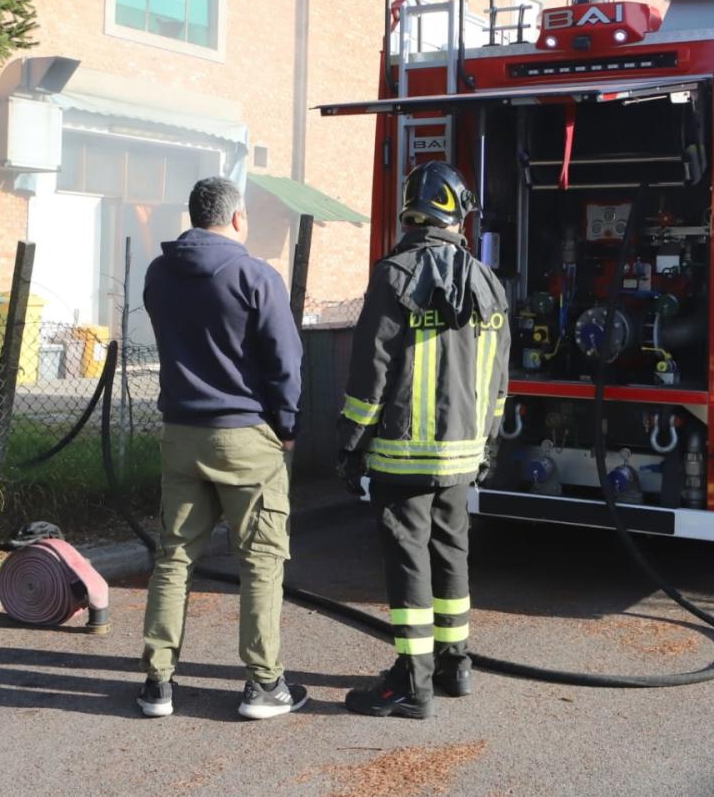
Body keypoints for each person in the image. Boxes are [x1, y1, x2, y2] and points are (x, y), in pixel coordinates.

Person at [334, 160, 510, 719]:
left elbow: (371, 371)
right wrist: (489, 444)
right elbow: (498, 380)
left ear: (413, 209)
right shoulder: (488, 283)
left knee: (409, 561)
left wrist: (349, 440)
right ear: (458, 214)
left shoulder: (394, 275)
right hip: (464, 455)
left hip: (401, 454)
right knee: (451, 553)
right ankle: (455, 665)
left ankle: (413, 681)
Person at [136, 177, 307, 720]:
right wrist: (286, 425)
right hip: (246, 439)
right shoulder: (255, 275)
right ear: (236, 219)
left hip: (180, 434)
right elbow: (285, 362)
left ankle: (157, 683)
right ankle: (263, 685)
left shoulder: (158, 273)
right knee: (260, 560)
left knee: (174, 557)